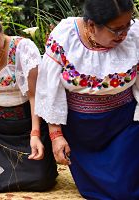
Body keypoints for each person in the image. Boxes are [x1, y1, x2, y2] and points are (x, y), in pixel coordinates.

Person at [35, 0, 139, 199]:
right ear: (91, 25)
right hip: (83, 133)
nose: (124, 34)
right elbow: (49, 90)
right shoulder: (65, 36)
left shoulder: (135, 35)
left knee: (126, 189)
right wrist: (56, 136)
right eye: (117, 30)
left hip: (124, 125)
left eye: (128, 25)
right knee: (103, 191)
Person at [0, 8, 58, 192]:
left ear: (1, 28)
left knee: (40, 181)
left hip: (28, 123)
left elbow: (34, 95)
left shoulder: (22, 48)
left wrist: (35, 133)